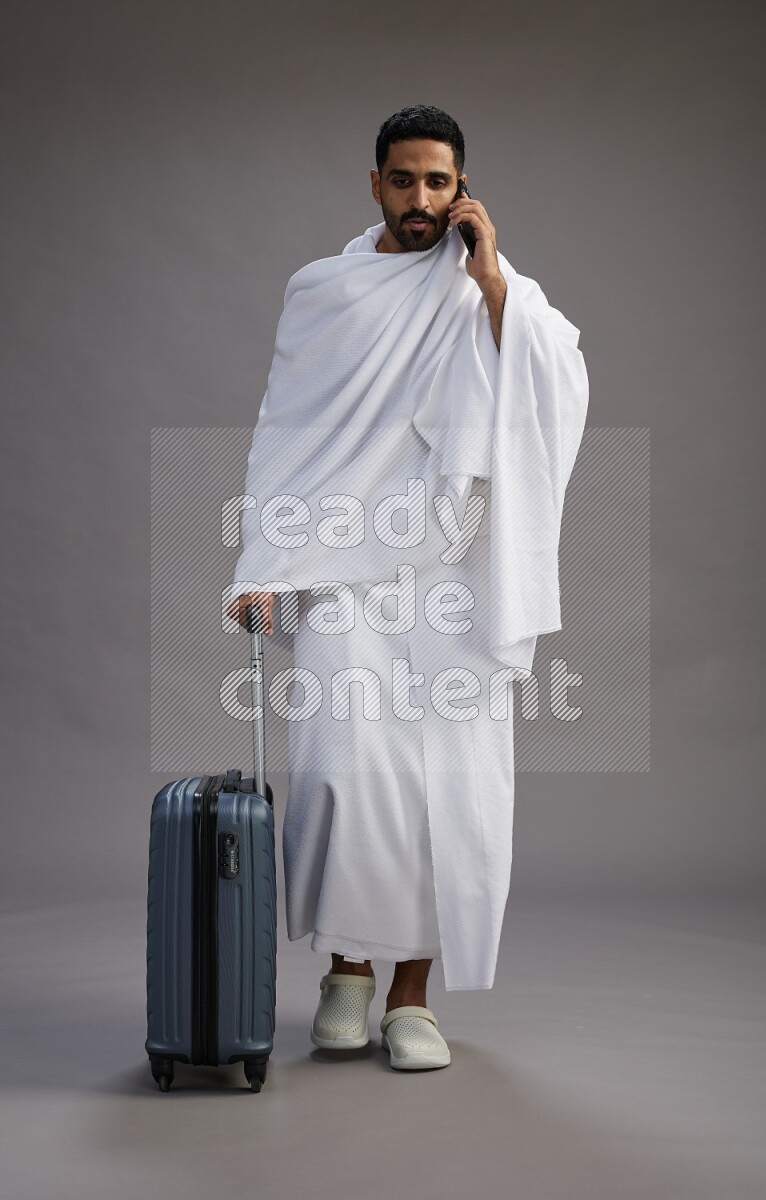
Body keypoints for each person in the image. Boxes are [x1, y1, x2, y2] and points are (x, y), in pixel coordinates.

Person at [228, 105, 589, 1070]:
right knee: (342, 772)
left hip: (454, 574)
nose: (420, 198)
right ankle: (347, 971)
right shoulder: (324, 292)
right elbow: (285, 436)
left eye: (438, 181)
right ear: (375, 184)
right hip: (344, 568)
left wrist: (493, 281)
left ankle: (411, 998)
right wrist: (259, 565)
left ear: (462, 186)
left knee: (447, 786)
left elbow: (558, 383)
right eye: (404, 180)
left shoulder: (491, 288)